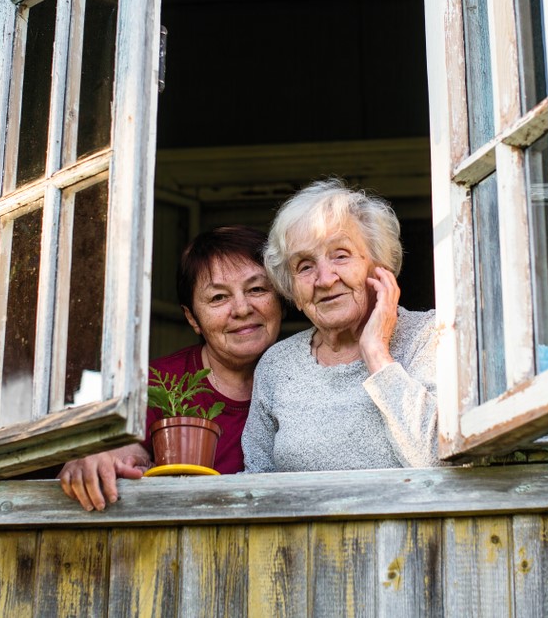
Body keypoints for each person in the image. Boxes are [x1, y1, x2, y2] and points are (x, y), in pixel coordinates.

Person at [59, 226, 283, 510]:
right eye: (218, 298)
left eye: (257, 289)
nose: (241, 308)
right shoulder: (158, 382)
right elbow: (124, 448)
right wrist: (96, 453)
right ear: (192, 318)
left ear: (281, 297)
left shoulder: (308, 370)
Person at [242, 179, 443, 472]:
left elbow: (436, 461)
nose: (324, 279)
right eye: (305, 266)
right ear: (293, 291)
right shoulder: (277, 365)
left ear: (378, 268)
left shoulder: (430, 336)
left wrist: (376, 353)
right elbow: (257, 482)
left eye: (340, 255)